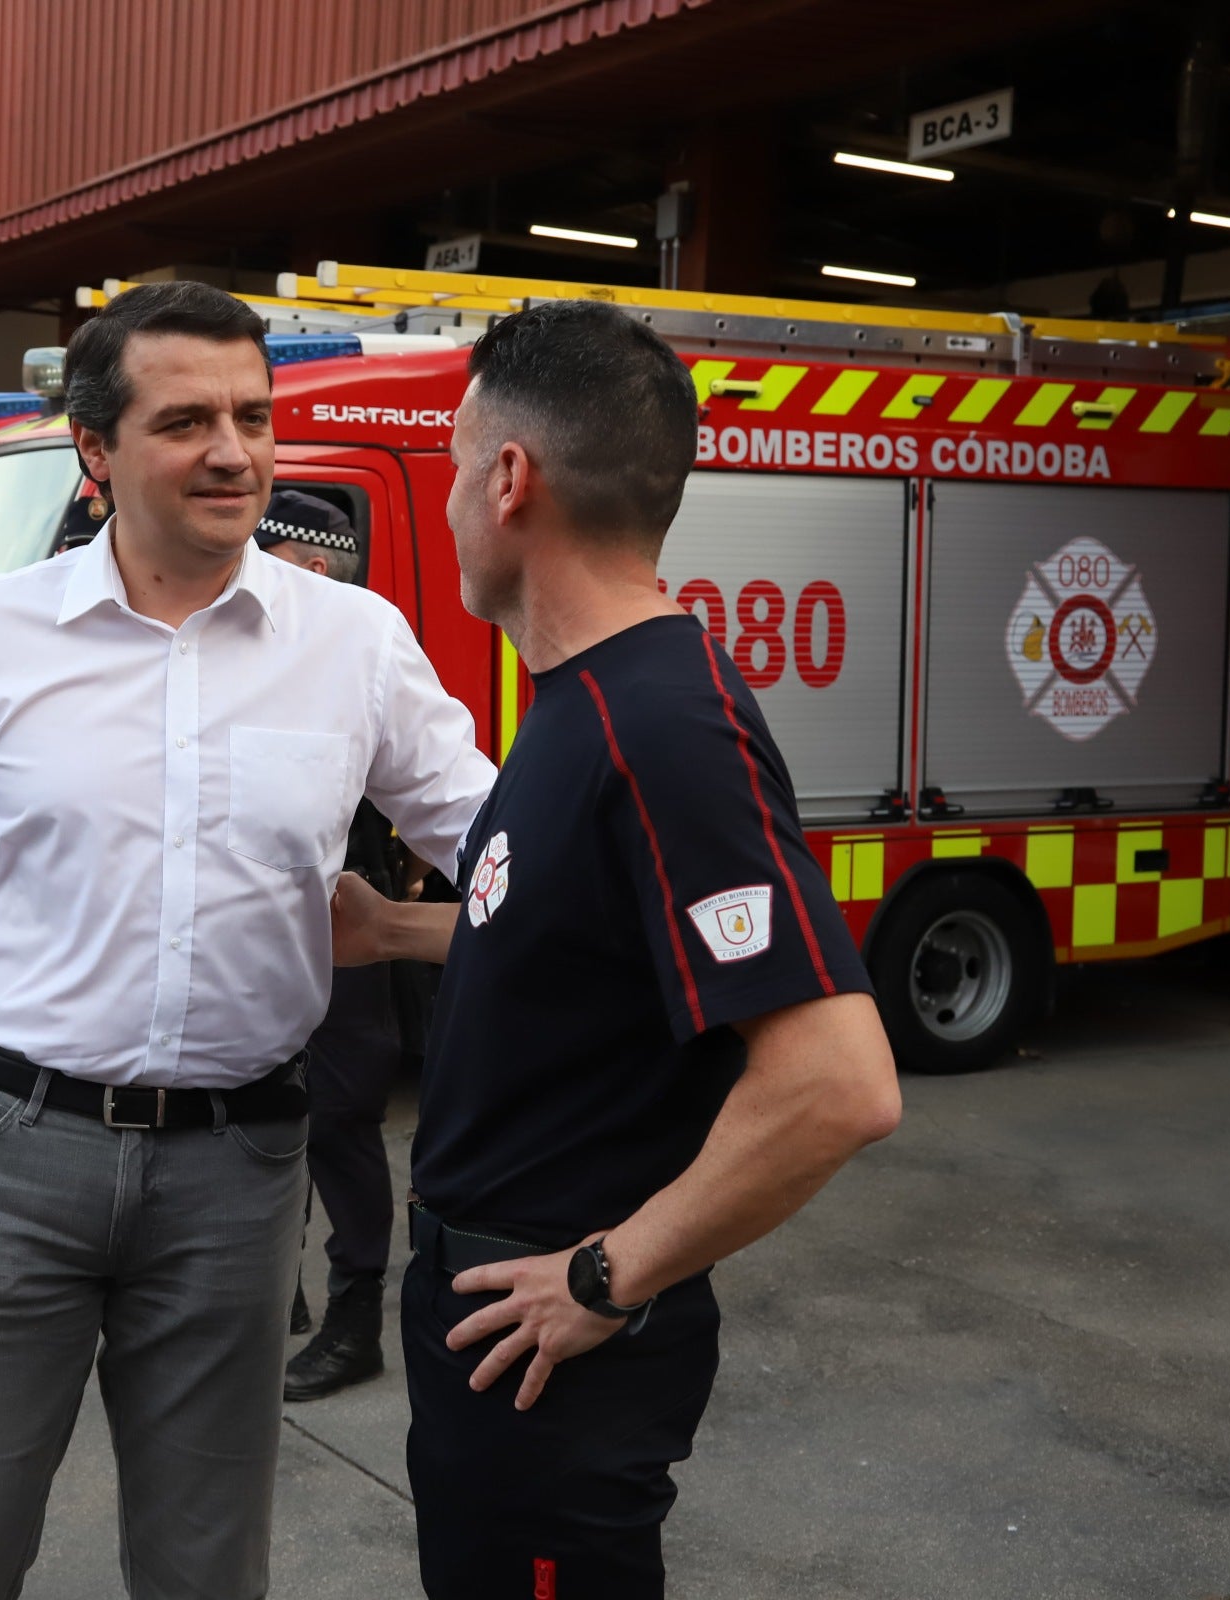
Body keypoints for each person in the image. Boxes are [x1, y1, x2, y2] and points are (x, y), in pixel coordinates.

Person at [0, 281, 496, 1600]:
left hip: (239, 1171)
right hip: (8, 1157)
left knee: (206, 1562)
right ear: (97, 452)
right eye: (186, 421)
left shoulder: (353, 642)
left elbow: (508, 848)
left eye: (252, 416)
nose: (233, 450)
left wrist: (426, 927)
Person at [328, 300, 902, 1600]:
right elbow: (578, 949)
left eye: (457, 458)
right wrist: (392, 930)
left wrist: (608, 1274)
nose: (454, 495)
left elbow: (838, 1082)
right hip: (495, 1327)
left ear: (510, 478)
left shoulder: (664, 723)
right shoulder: (579, 700)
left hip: (556, 1346)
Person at [250, 490, 412, 1400]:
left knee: (341, 1125)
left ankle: (356, 1324)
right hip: (265, 947)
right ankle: (285, 1291)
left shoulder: (359, 655)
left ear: (311, 570)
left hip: (344, 937)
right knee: (273, 1112)